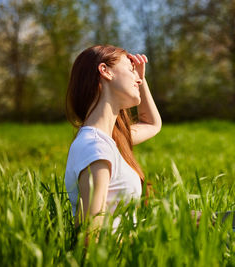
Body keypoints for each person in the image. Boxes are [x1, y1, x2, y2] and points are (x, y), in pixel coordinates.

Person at [64, 45, 161, 240]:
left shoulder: (110, 141)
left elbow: (152, 124)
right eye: (131, 69)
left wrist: (141, 80)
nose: (138, 78)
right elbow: (89, 237)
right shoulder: (95, 147)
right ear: (105, 71)